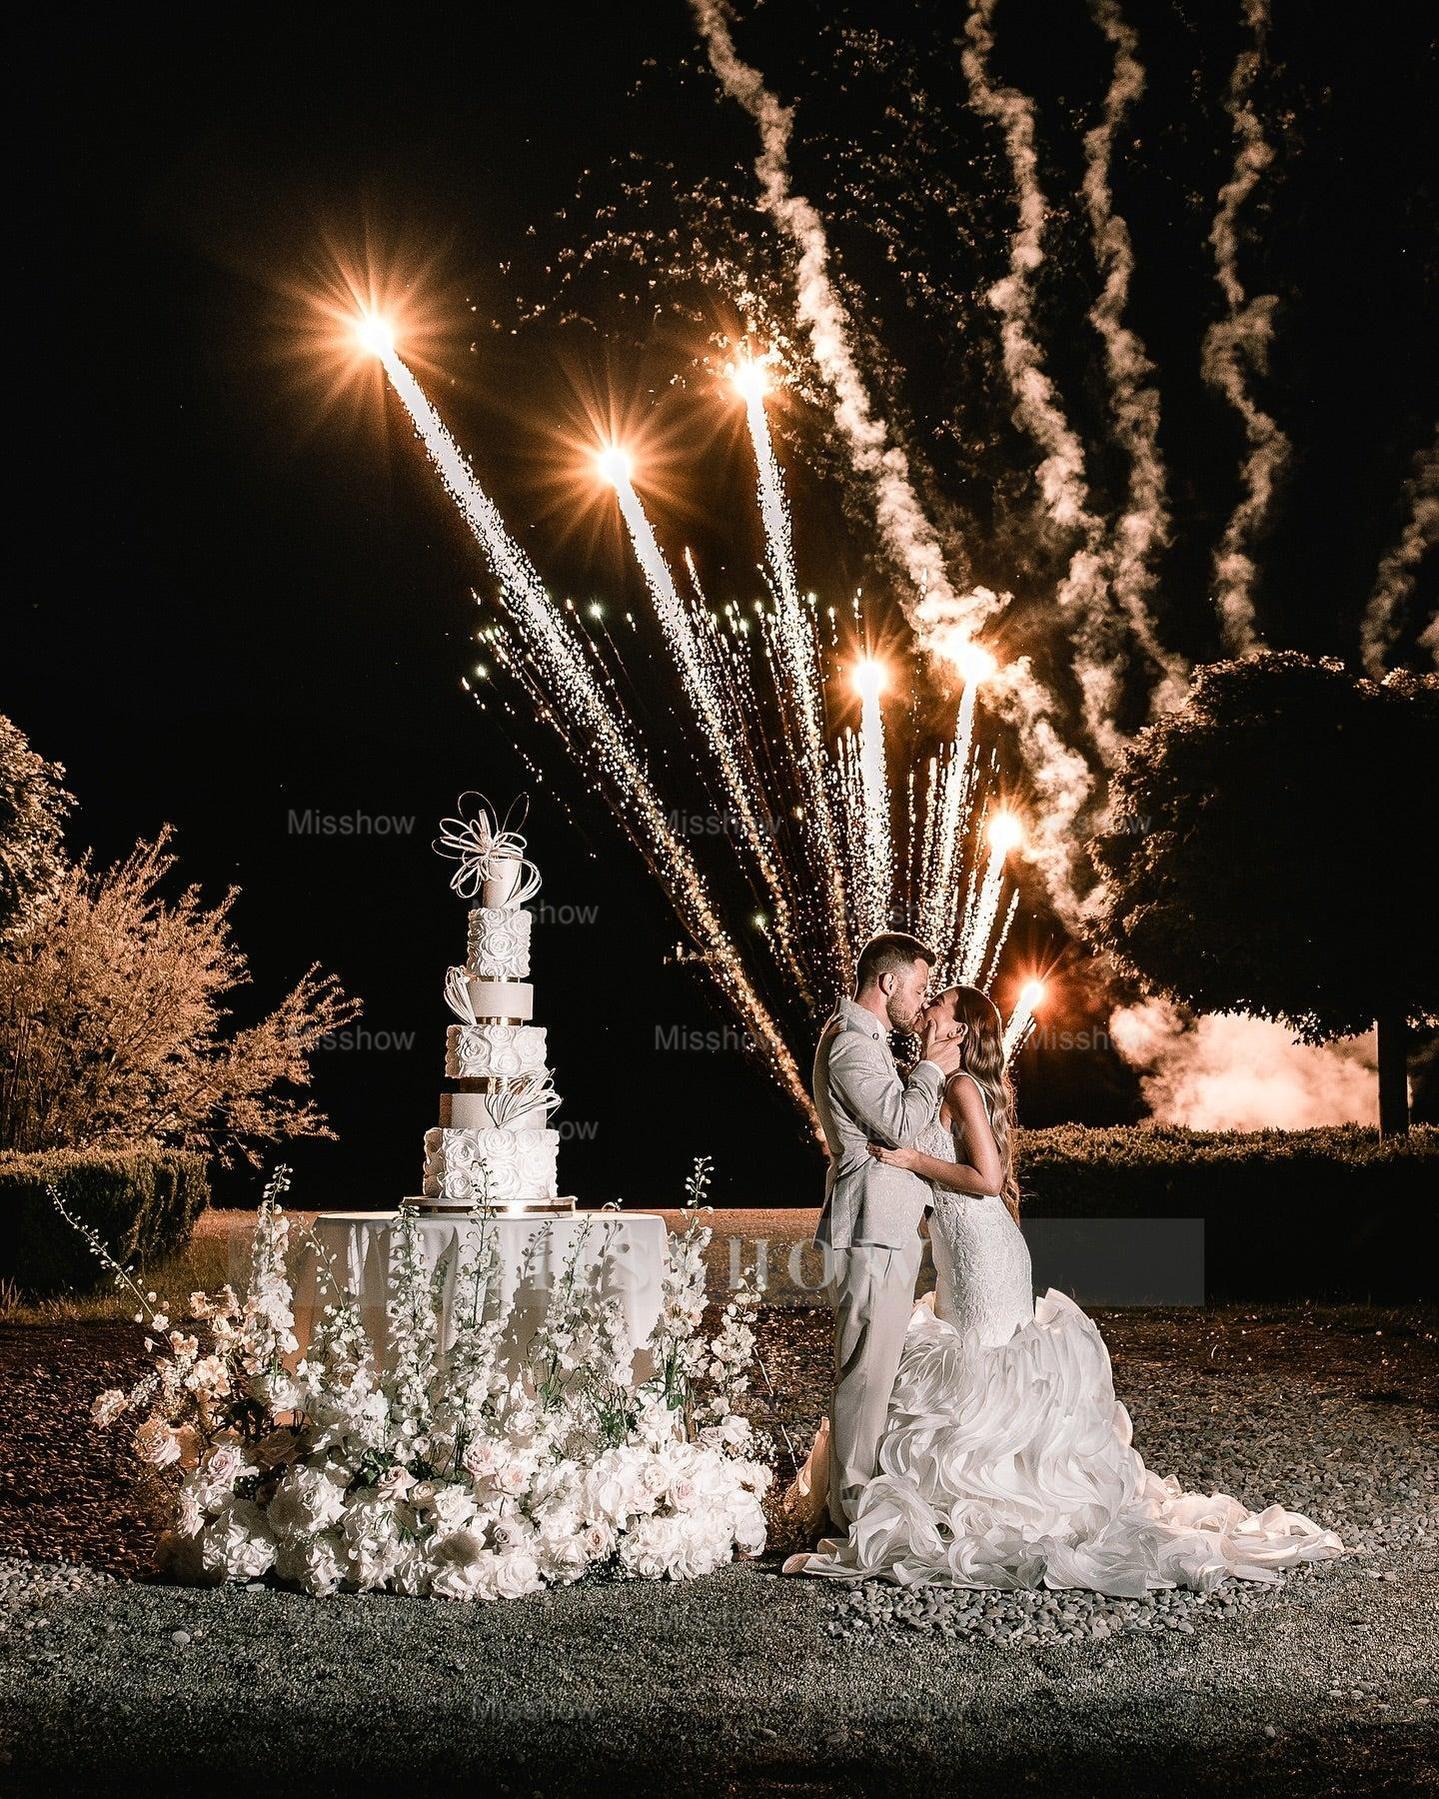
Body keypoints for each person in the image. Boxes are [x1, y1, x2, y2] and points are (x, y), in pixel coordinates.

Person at [784, 983, 1344, 1595]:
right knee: (959, 1366)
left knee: (986, 1364)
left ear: (958, 1029)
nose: (926, 1007)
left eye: (938, 1003)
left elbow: (986, 1178)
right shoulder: (932, 1085)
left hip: (985, 1252)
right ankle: (938, 1498)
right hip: (956, 1247)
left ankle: (995, 1500)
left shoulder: (961, 1086)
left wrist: (914, 1164)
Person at [806, 932, 966, 1533]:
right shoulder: (852, 1047)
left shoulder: (867, 1043)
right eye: (919, 987)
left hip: (885, 1227)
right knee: (865, 1373)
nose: (922, 1001)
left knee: (874, 1369)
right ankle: (850, 1514)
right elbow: (900, 1125)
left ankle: (853, 1500)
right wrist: (932, 1068)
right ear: (888, 982)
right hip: (870, 1229)